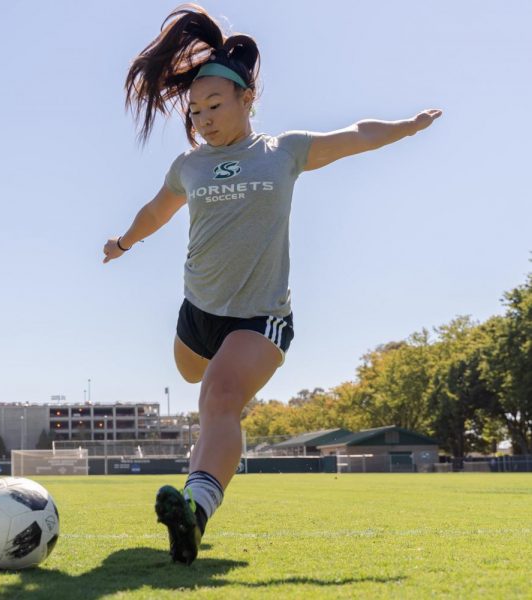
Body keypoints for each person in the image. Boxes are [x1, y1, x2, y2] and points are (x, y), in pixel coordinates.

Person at [102, 4, 441, 565]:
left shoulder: (283, 153)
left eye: (215, 105)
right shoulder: (189, 166)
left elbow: (355, 134)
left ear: (245, 100)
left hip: (259, 316)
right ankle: (204, 465)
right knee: (194, 376)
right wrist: (124, 242)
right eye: (196, 110)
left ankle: (195, 508)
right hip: (197, 313)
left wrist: (407, 125)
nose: (205, 118)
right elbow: (156, 211)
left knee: (220, 399)